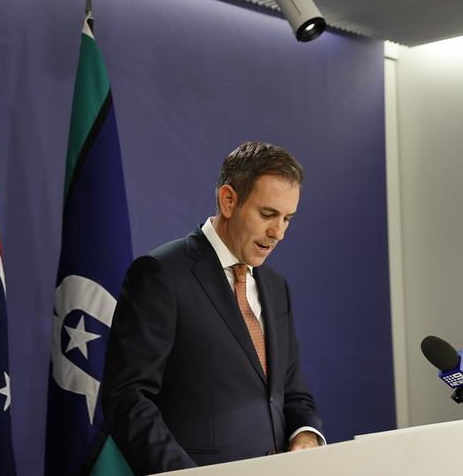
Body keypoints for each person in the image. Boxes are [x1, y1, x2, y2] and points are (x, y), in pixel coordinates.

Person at [101, 141, 324, 475]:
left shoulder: (277, 289)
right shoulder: (161, 274)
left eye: (287, 218)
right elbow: (127, 397)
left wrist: (306, 434)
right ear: (229, 200)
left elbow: (290, 392)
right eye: (267, 214)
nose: (278, 232)